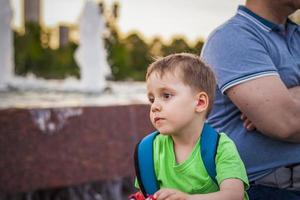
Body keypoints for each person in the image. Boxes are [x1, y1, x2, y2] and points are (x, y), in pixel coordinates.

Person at [201, 0, 300, 199]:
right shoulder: (232, 37)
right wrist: (285, 109)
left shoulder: (296, 36)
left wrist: (291, 95)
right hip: (264, 189)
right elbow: (287, 123)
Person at [134, 53, 249, 200]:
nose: (155, 106)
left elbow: (233, 195)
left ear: (200, 103)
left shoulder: (220, 147)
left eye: (166, 95)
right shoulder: (148, 151)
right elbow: (145, 194)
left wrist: (187, 198)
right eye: (151, 99)